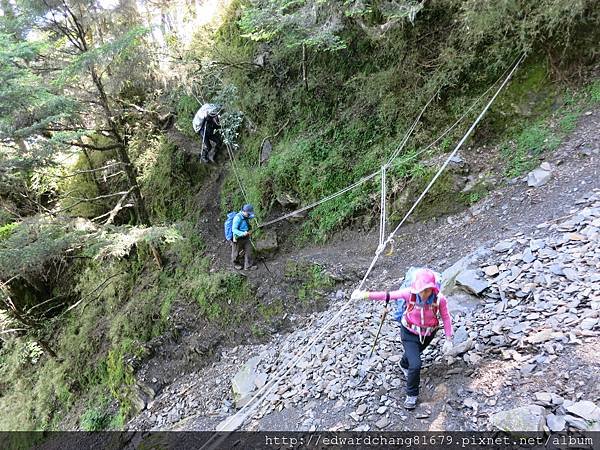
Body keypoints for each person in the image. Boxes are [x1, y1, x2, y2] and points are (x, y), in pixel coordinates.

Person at [351, 268, 453, 410]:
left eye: (427, 290)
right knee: (416, 364)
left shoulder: (439, 299)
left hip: (428, 334)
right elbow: (387, 295)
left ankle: (403, 364)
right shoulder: (409, 293)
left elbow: (446, 318)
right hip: (409, 332)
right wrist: (365, 295)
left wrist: (449, 338)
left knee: (414, 355)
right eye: (421, 290)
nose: (423, 294)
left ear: (433, 288)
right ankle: (411, 395)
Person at [231, 204, 257, 271]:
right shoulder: (237, 218)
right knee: (236, 252)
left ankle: (248, 266)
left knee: (249, 250)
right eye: (248, 213)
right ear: (244, 211)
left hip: (246, 237)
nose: (249, 215)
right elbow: (234, 229)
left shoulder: (246, 216)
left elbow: (251, 216)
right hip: (237, 238)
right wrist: (243, 233)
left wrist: (254, 215)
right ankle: (235, 264)